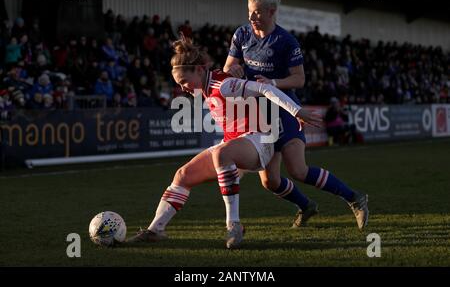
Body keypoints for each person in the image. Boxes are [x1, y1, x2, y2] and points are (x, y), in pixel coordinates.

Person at [127, 37, 321, 248]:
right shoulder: (207, 87)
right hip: (237, 142)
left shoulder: (224, 84)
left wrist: (297, 111)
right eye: (179, 85)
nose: (183, 89)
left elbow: (266, 89)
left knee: (223, 154)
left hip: (260, 140)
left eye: (184, 82)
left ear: (199, 70)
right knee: (183, 176)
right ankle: (155, 230)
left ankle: (233, 224)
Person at [224, 0, 369, 230]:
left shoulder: (286, 41)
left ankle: (355, 198)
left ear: (272, 12)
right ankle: (306, 206)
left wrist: (273, 83)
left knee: (298, 171)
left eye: (257, 13)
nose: (252, 17)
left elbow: (299, 79)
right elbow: (228, 67)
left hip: (284, 110)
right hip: (258, 117)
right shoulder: (242, 34)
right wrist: (233, 69)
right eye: (249, 12)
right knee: (269, 181)